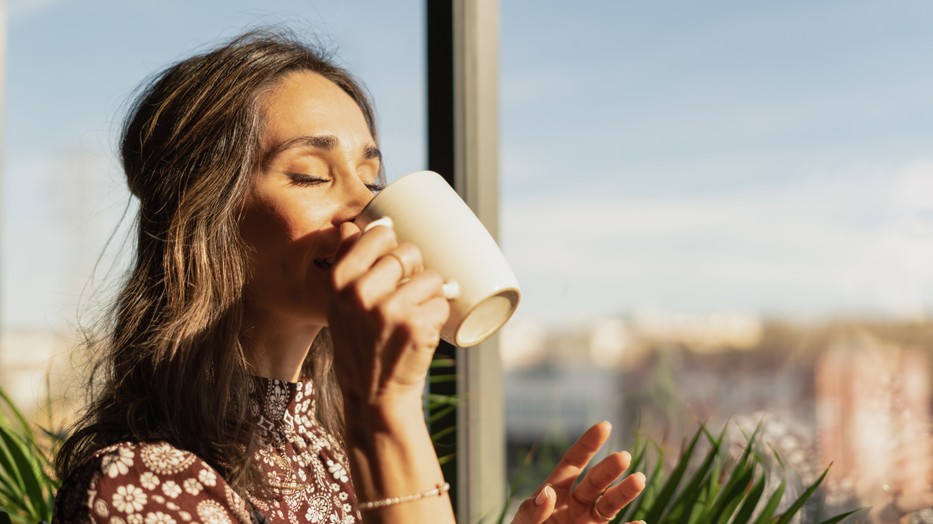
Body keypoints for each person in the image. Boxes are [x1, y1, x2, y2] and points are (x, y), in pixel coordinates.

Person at [52, 29, 646, 523]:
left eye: (371, 176)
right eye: (311, 175)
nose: (364, 205)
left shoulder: (329, 446)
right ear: (205, 218)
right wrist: (385, 409)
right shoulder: (138, 485)